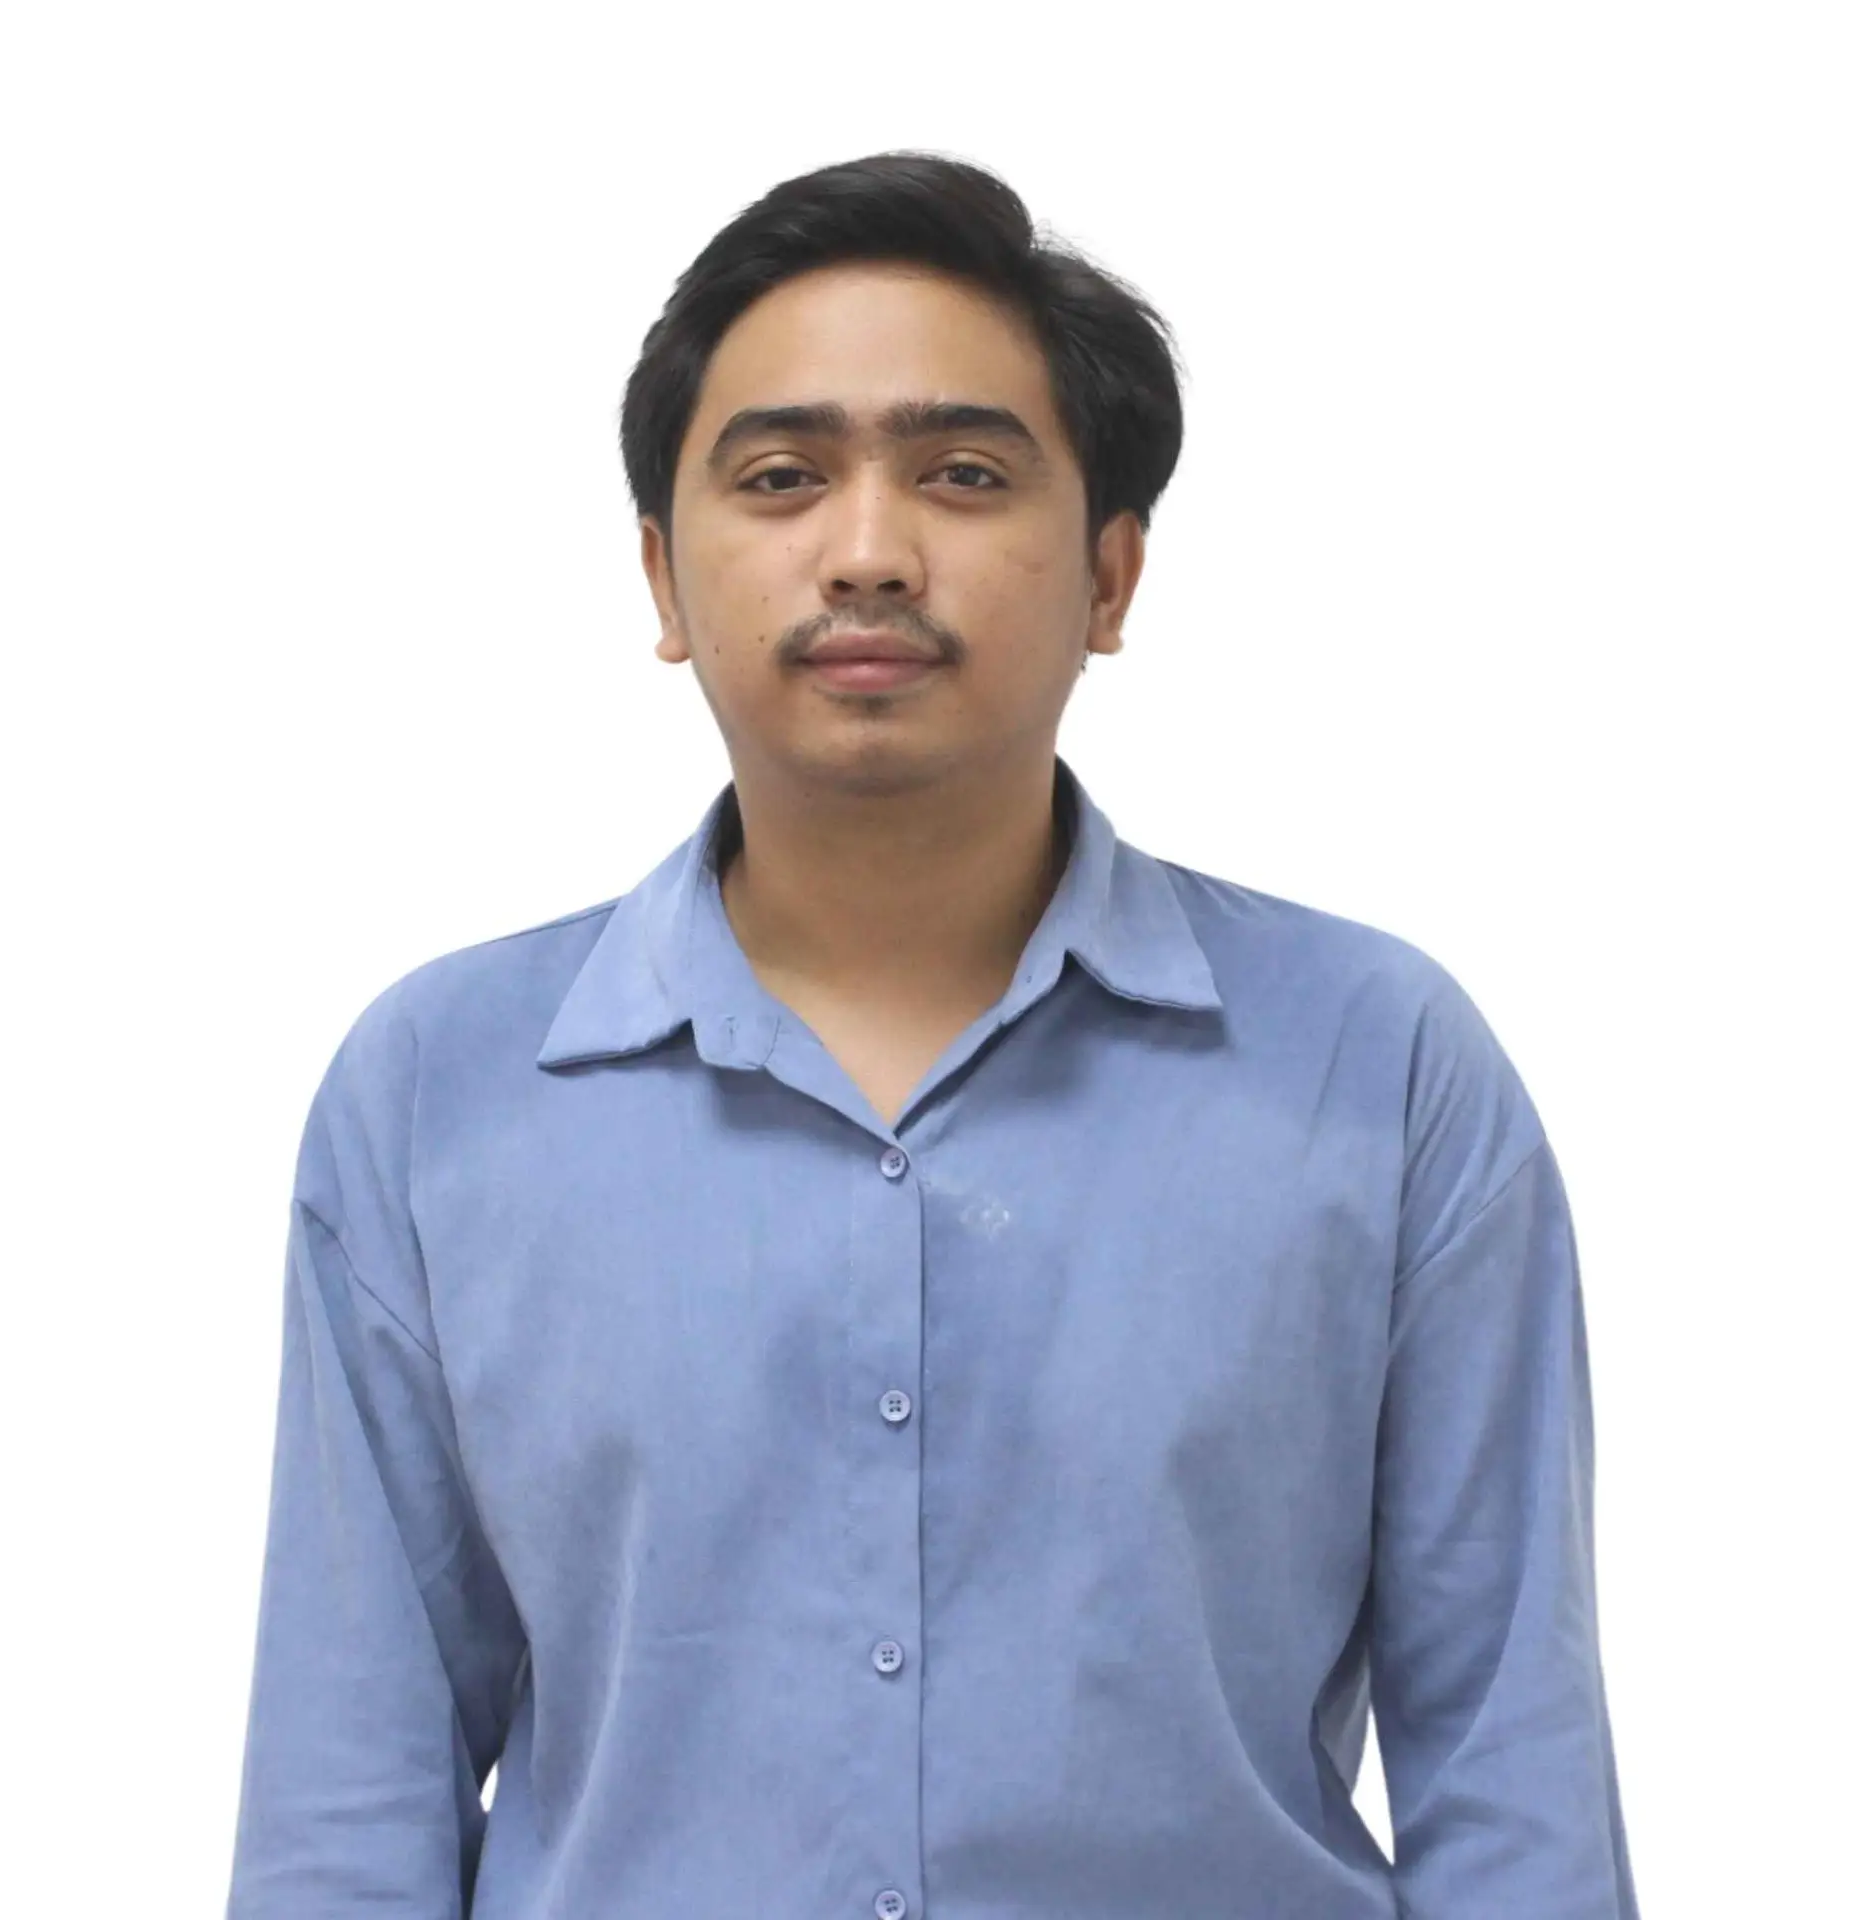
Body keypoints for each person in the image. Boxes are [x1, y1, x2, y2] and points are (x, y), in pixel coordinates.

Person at [224, 151, 1639, 1919]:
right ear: (664, 580)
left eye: (964, 475)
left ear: (1113, 578)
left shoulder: (1382, 1069)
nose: (871, 550)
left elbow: (1513, 1779)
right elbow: (345, 1810)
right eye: (783, 477)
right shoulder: (437, 1095)